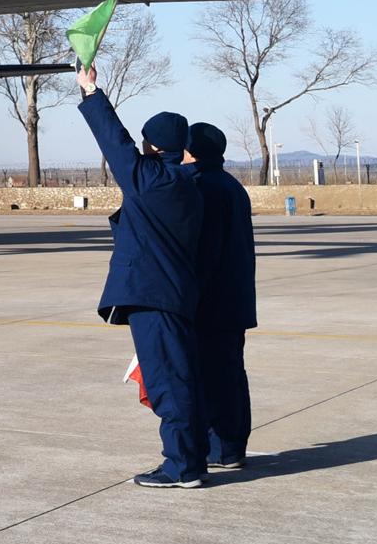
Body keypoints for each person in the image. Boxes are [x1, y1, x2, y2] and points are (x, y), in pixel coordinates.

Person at [75, 66, 207, 487]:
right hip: (176, 294)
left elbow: (114, 140)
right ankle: (192, 459)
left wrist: (91, 90)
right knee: (180, 376)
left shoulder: (149, 181)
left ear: (151, 145)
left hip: (154, 297)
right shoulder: (188, 184)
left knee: (169, 381)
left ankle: (181, 467)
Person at [185, 122, 256, 469]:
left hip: (211, 301)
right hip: (235, 298)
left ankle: (221, 447)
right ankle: (233, 445)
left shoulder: (203, 186)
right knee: (230, 373)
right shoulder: (231, 185)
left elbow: (206, 251)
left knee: (213, 377)